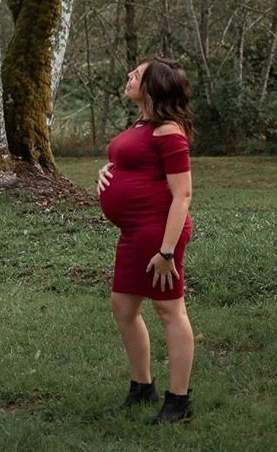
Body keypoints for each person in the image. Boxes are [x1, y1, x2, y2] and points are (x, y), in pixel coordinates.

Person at [96, 57, 195, 425]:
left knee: (170, 311)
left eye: (136, 74)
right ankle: (142, 387)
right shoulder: (144, 124)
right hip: (134, 232)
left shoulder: (169, 130)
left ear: (152, 85)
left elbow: (182, 195)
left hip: (159, 233)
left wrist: (167, 252)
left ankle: (179, 400)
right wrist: (107, 172)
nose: (129, 75)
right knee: (123, 305)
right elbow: (129, 162)